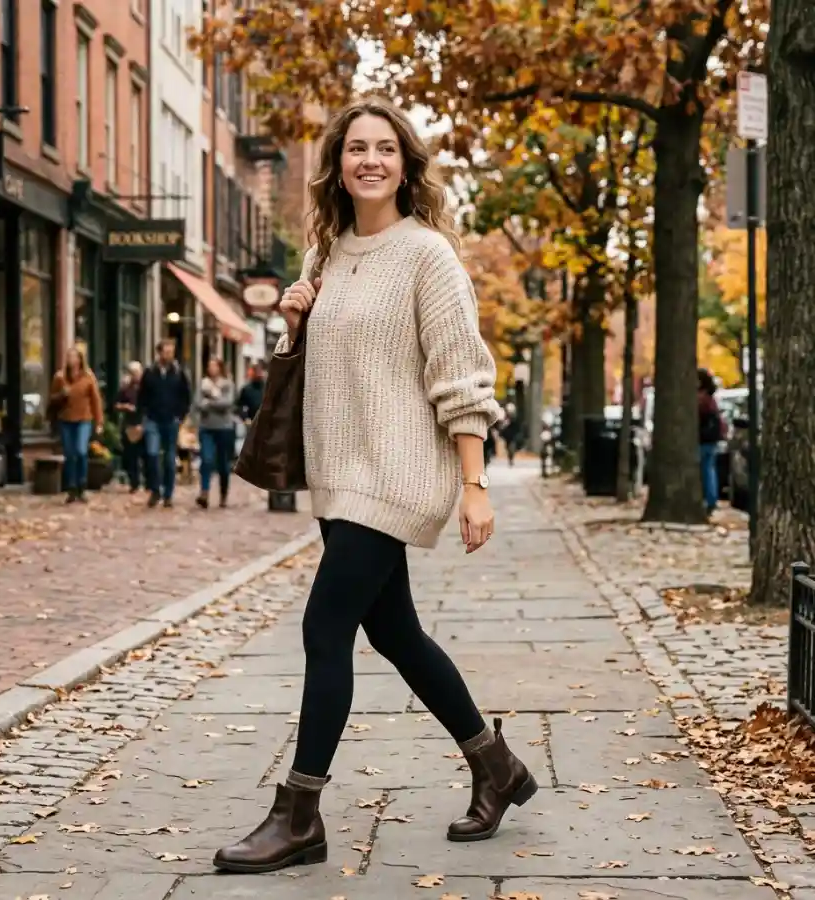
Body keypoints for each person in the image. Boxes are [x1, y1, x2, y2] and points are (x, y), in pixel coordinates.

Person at [212, 95, 537, 876]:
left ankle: (299, 816)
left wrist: (474, 482)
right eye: (356, 148)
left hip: (397, 475)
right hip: (341, 474)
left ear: (405, 163)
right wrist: (296, 324)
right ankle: (496, 765)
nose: (370, 161)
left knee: (326, 630)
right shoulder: (325, 254)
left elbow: (463, 374)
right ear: (338, 163)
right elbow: (333, 367)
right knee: (393, 633)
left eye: (385, 149)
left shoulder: (428, 256)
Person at [137, 339, 191, 509]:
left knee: (169, 458)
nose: (168, 355)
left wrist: (180, 416)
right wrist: (143, 415)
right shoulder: (150, 373)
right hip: (153, 419)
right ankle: (155, 490)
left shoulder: (179, 373)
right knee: (152, 455)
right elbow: (142, 395)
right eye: (165, 352)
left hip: (171, 420)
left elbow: (186, 396)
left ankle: (168, 494)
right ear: (159, 353)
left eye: (171, 352)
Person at [49, 347, 103, 503]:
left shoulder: (88, 377)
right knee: (70, 454)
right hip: (66, 420)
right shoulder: (60, 377)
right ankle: (71, 487)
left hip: (83, 419)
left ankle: (82, 484)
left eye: (74, 357)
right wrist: (61, 395)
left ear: (80, 360)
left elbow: (95, 400)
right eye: (69, 357)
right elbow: (52, 399)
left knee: (80, 451)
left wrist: (99, 421)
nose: (71, 360)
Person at [195, 358, 237, 509]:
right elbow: (198, 404)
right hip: (206, 427)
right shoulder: (203, 384)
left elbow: (227, 403)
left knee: (223, 464)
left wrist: (210, 401)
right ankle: (204, 492)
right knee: (206, 460)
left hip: (224, 428)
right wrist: (214, 403)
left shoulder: (227, 385)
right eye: (209, 366)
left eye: (214, 366)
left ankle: (223, 494)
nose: (211, 369)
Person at [115, 362, 145, 493]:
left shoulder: (146, 388)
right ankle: (134, 482)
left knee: (145, 454)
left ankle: (148, 481)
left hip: (143, 423)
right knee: (130, 455)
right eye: (132, 373)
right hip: (129, 424)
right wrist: (124, 407)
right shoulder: (125, 388)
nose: (135, 376)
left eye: (136, 373)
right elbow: (116, 404)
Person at [698, 367, 723, 517]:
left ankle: (709, 499)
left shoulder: (701, 399)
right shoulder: (711, 398)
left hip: (703, 439)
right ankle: (711, 499)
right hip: (711, 439)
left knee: (705, 470)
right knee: (709, 469)